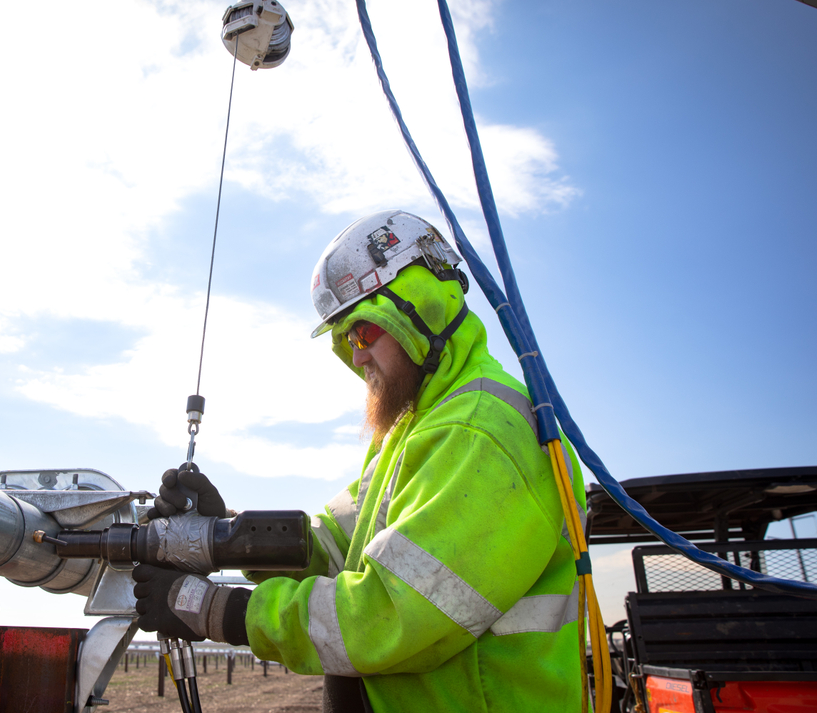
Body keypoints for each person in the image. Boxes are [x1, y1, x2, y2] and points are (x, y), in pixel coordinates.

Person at [133, 210, 587, 713]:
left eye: (365, 332)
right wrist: (226, 534)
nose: (357, 355)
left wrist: (217, 610)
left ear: (419, 309)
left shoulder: (480, 431)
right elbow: (330, 545)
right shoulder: (417, 429)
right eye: (346, 340)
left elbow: (389, 615)